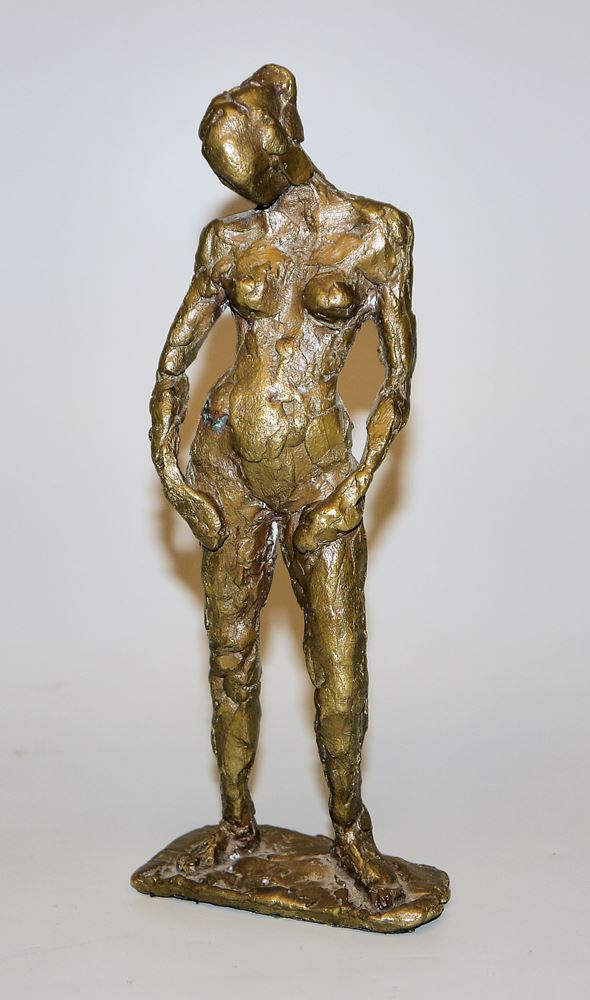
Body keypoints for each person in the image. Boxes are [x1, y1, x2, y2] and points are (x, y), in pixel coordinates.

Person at [149, 64, 416, 910]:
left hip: (321, 475)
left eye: (253, 172)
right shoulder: (227, 243)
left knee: (338, 661)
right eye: (230, 181)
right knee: (231, 659)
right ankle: (235, 824)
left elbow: (398, 386)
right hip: (227, 474)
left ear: (285, 135)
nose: (246, 193)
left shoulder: (376, 232)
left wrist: (355, 489)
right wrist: (174, 476)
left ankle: (351, 834)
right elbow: (173, 368)